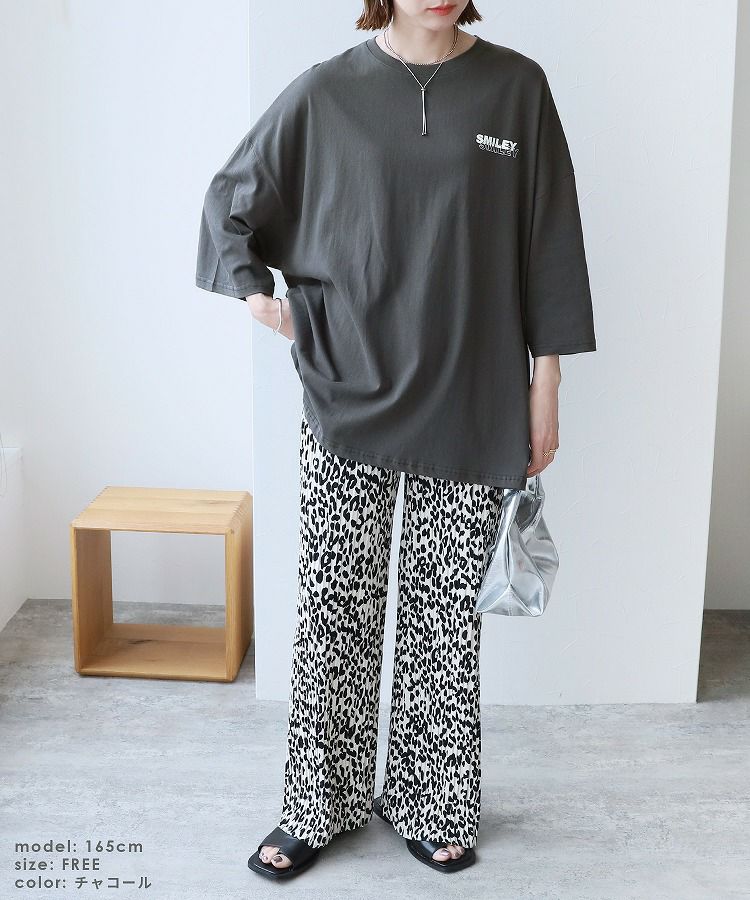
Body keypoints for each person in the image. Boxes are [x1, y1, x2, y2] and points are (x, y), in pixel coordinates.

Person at [195, 0, 597, 879]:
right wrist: (270, 305)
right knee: (335, 607)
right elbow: (232, 202)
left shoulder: (516, 88)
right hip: (350, 394)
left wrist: (547, 385)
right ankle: (319, 803)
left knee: (444, 618)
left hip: (473, 395)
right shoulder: (327, 92)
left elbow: (551, 242)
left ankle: (432, 800)